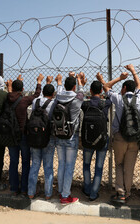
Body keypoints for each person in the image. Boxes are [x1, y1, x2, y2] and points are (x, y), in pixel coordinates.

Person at [98, 64, 140, 203]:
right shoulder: (139, 98)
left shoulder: (118, 98)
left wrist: (120, 77)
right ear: (133, 89)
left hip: (119, 137)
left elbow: (106, 86)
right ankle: (128, 192)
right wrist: (133, 71)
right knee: (129, 167)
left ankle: (120, 193)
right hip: (134, 138)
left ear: (123, 89)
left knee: (119, 164)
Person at [7, 74, 43, 196]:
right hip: (23, 135)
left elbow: (11, 94)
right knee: (26, 162)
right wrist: (38, 82)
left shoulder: (7, 98)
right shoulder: (24, 100)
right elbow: (36, 95)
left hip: (10, 135)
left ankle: (13, 188)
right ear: (22, 90)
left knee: (13, 162)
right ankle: (24, 189)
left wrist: (11, 87)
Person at [54, 72, 86, 205]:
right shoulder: (77, 98)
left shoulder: (59, 96)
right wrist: (79, 79)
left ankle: (61, 190)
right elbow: (81, 90)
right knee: (69, 166)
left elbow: (60, 89)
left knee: (61, 164)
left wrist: (60, 81)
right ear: (74, 87)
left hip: (59, 133)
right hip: (71, 136)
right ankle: (65, 195)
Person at [28, 75, 61, 200]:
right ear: (53, 93)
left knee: (35, 165)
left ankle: (31, 192)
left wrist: (42, 82)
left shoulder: (35, 101)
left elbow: (40, 97)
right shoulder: (53, 103)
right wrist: (58, 83)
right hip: (48, 137)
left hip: (34, 136)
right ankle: (48, 194)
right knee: (48, 166)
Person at [81, 76, 111, 201]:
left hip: (87, 139)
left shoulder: (85, 104)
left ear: (91, 91)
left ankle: (87, 189)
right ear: (101, 91)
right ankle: (93, 193)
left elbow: (80, 98)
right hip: (102, 139)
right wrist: (104, 82)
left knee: (86, 165)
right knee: (99, 167)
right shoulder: (105, 103)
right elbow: (109, 93)